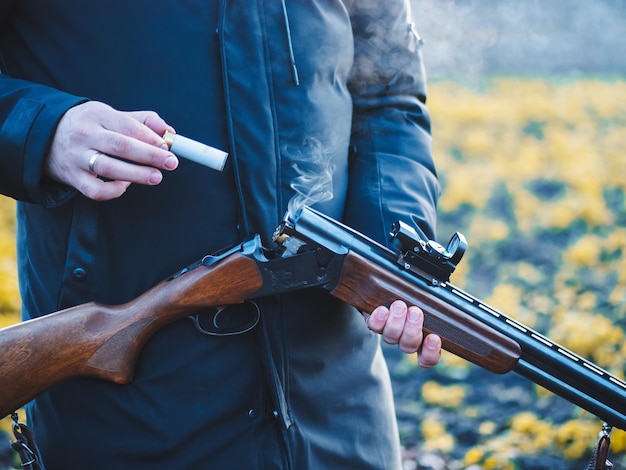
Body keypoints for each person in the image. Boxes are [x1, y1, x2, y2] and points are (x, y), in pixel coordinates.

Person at [0, 1, 442, 468]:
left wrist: (392, 249)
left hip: (340, 405)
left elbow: (390, 96)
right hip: (128, 415)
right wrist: (46, 130)